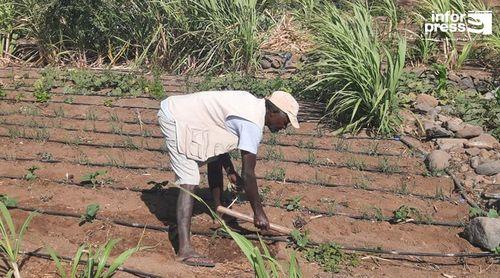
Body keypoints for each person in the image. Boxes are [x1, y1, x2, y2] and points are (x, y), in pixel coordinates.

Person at [157, 90, 300, 267]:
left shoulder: (251, 104)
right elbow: (248, 173)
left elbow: (217, 141)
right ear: (273, 111)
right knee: (189, 177)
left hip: (193, 116)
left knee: (213, 155)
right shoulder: (252, 123)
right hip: (176, 115)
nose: (284, 127)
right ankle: (184, 250)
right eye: (286, 121)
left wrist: (230, 171)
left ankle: (219, 211)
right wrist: (259, 213)